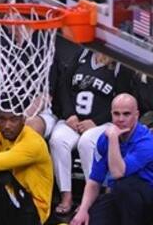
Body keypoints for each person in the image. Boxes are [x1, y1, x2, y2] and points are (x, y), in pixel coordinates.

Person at [69, 93, 153, 225]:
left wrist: (113, 139)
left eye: (126, 114)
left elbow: (117, 172)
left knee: (123, 183)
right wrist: (83, 209)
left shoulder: (146, 141)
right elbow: (94, 181)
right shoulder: (103, 139)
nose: (120, 119)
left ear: (136, 115)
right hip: (122, 198)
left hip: (147, 199)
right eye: (116, 114)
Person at [49, 49, 133, 215]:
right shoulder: (82, 53)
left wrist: (96, 122)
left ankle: (92, 198)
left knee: (87, 142)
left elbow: (122, 103)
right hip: (75, 120)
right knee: (57, 140)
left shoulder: (120, 65)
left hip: (102, 122)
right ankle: (66, 196)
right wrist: (69, 114)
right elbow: (64, 86)